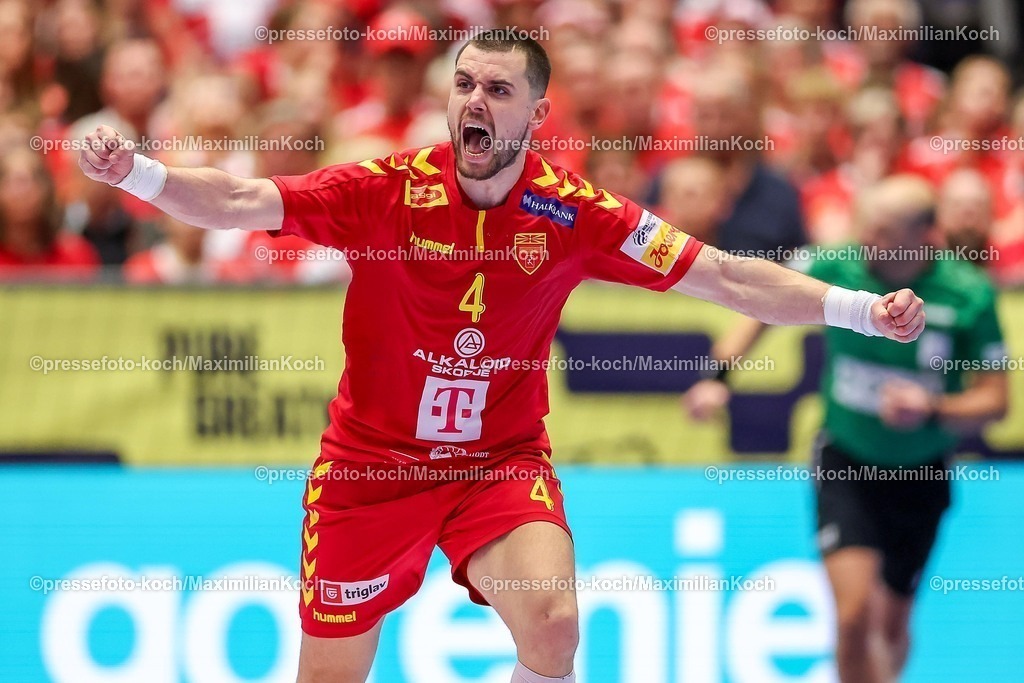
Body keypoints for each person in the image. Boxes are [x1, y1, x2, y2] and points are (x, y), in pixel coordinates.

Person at [79, 36, 925, 683]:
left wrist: (860, 310)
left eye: (497, 89)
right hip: (372, 467)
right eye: (463, 85)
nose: (473, 102)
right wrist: (140, 175)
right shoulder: (386, 188)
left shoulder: (573, 211)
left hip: (497, 460)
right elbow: (238, 199)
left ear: (535, 114)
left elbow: (728, 277)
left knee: (554, 623)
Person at [684, 175, 1008, 683]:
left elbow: (996, 401)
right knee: (854, 614)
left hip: (921, 472)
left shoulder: (968, 295)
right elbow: (759, 297)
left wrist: (932, 407)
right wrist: (718, 377)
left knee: (891, 625)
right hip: (846, 460)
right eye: (864, 225)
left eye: (881, 230)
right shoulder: (838, 264)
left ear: (925, 235)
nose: (865, 238)